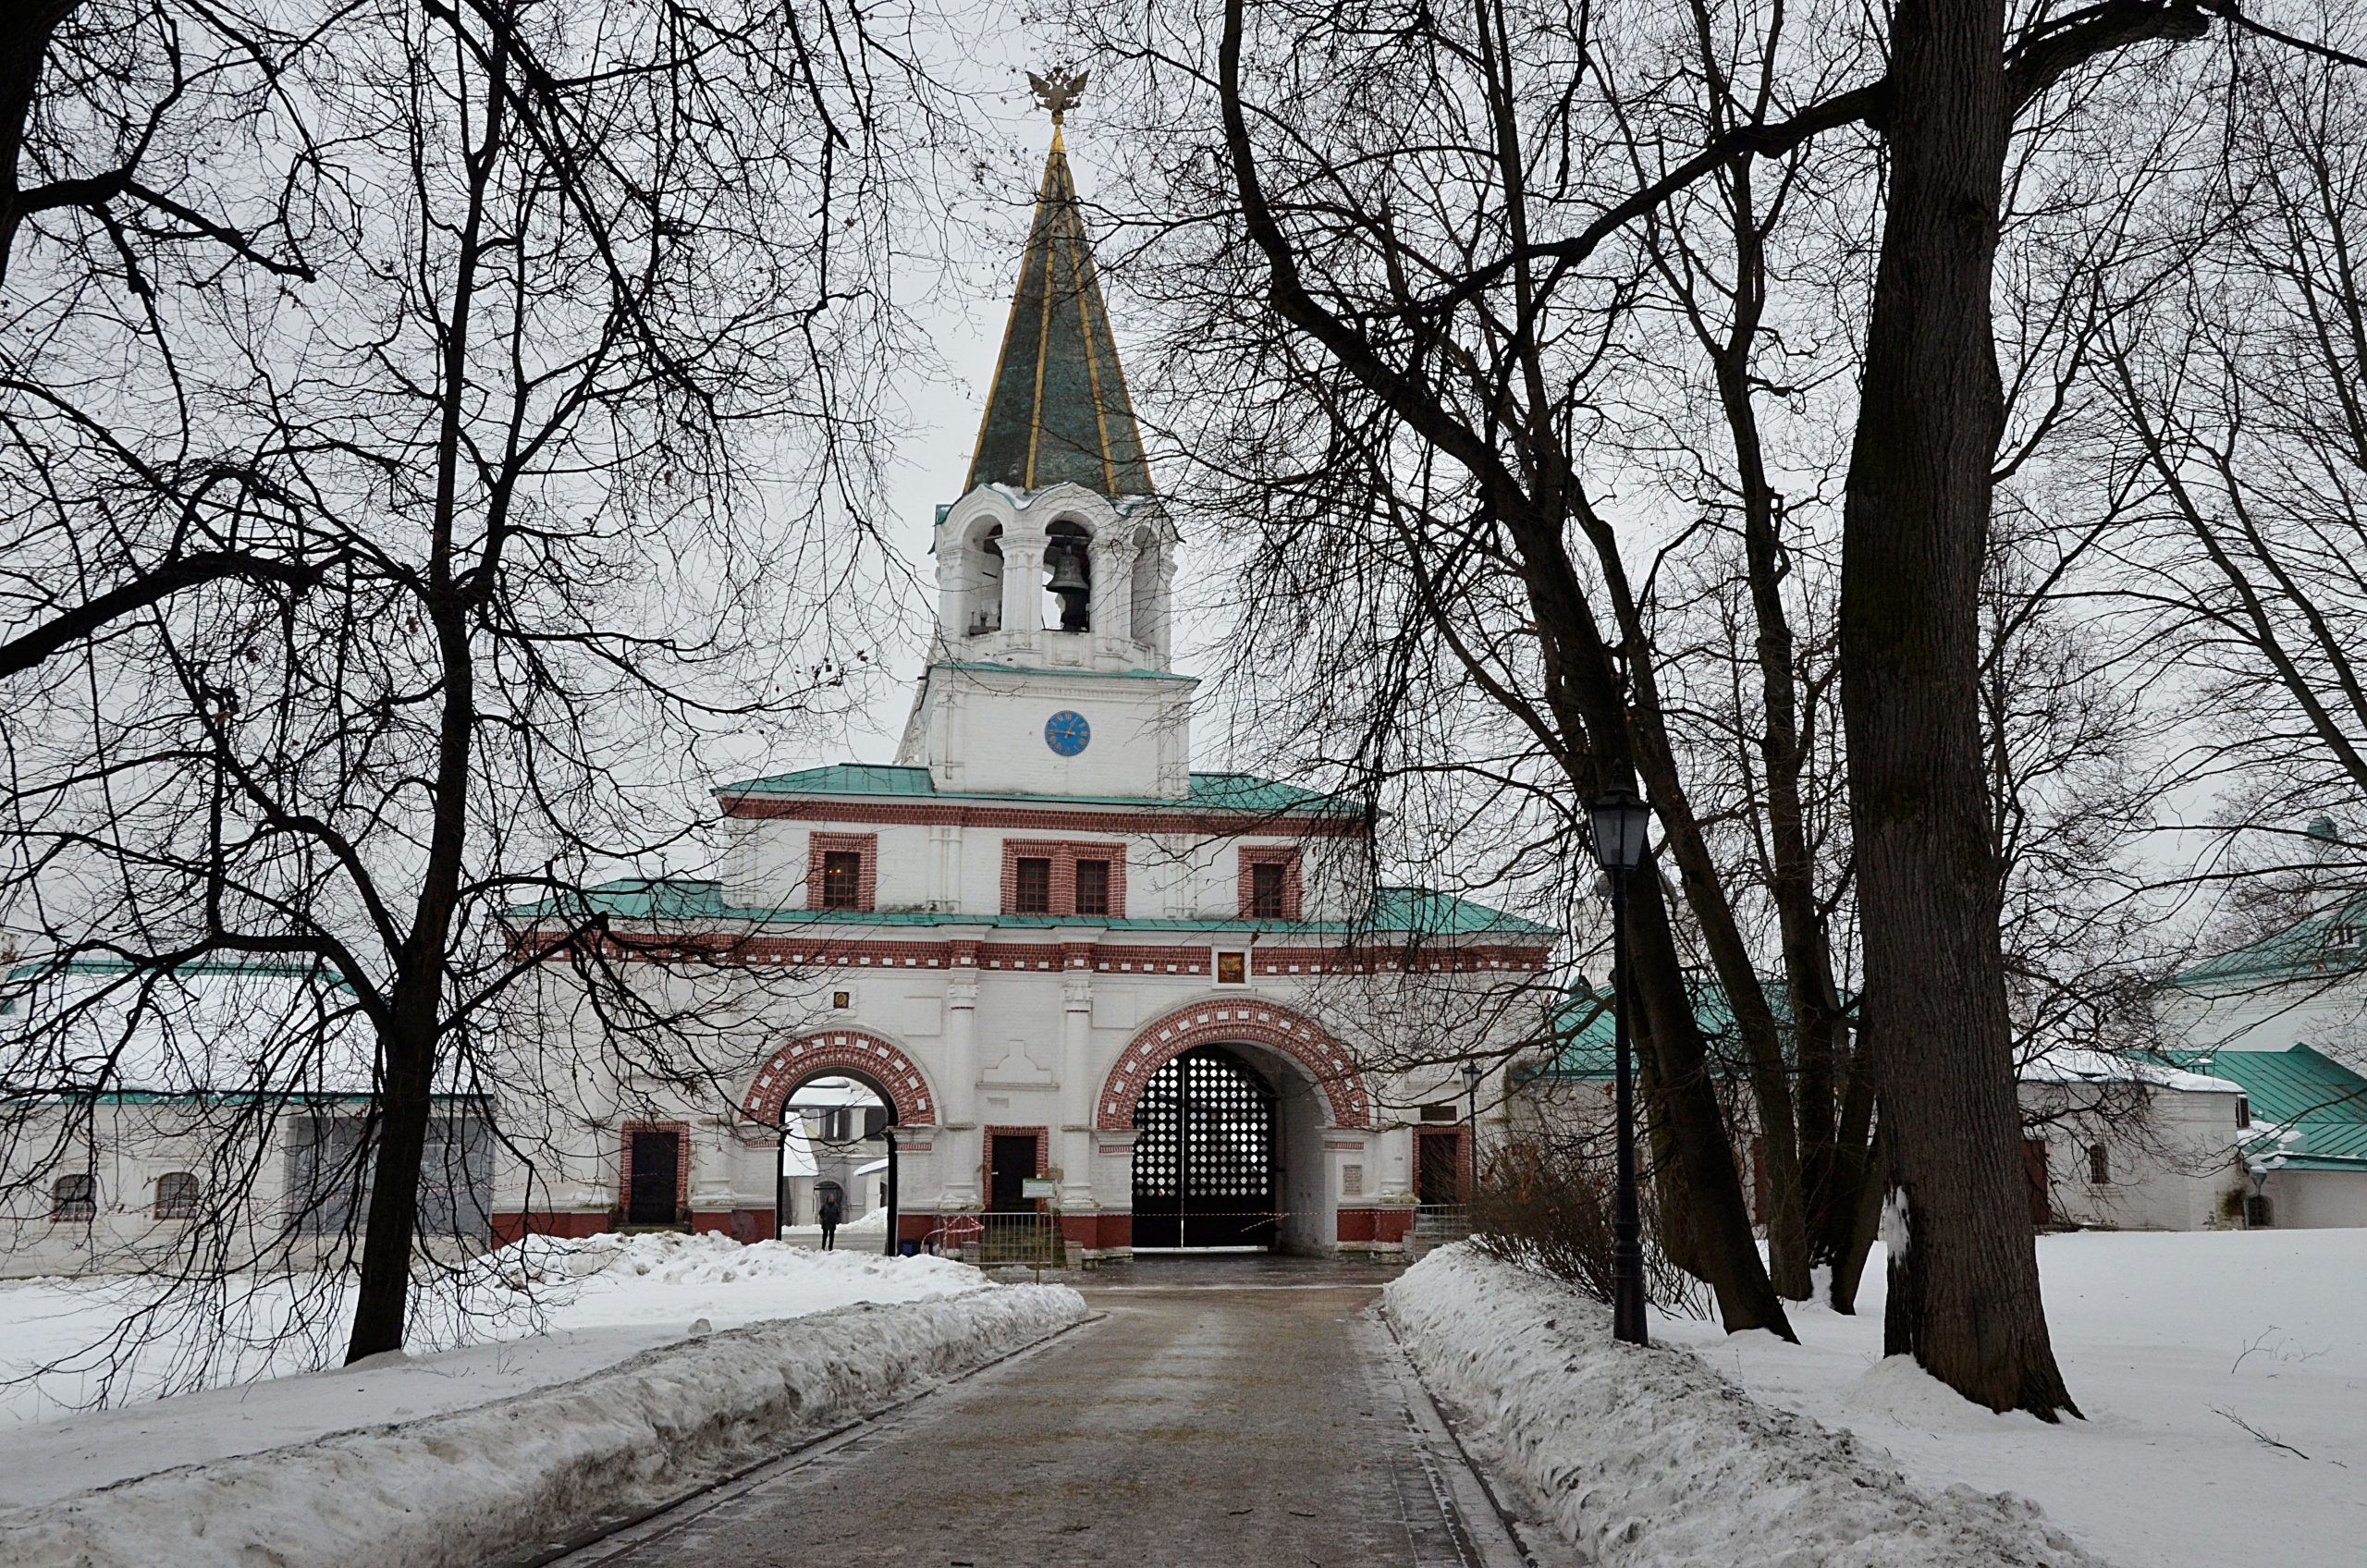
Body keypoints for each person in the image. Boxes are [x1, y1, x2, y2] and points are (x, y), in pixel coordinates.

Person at [816, 1183, 844, 1252]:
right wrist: (823, 1217)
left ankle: (830, 1248)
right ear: (828, 1198)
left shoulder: (835, 1206)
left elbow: (838, 1213)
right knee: (825, 1236)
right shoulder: (825, 1205)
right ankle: (823, 1247)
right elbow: (820, 1212)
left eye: (832, 1198)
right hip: (825, 1223)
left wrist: (836, 1219)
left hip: (832, 1223)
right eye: (830, 1198)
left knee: (832, 1236)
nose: (831, 1199)